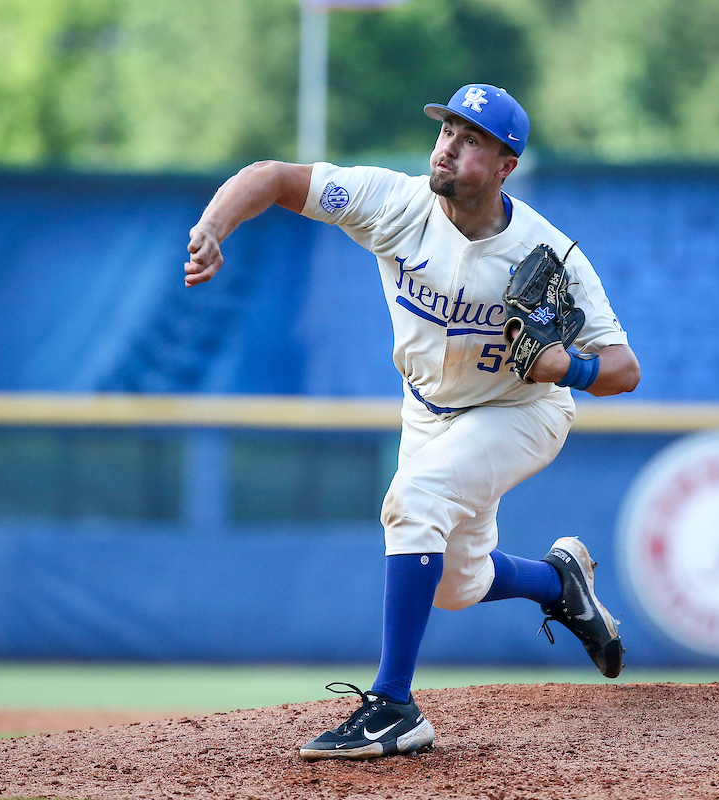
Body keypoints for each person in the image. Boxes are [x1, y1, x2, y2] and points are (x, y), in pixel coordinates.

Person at [184, 84, 641, 761]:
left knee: (414, 502)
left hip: (519, 411)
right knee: (457, 586)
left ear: (506, 165)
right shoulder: (395, 204)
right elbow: (273, 178)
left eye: (471, 139)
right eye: (447, 130)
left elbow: (624, 368)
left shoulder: (548, 253)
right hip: (429, 411)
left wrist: (566, 368)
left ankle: (393, 705)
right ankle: (559, 583)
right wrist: (212, 227)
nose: (449, 146)